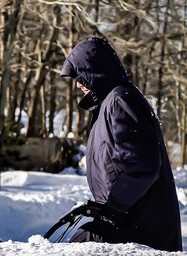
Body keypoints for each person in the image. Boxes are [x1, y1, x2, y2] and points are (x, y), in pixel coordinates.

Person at [60, 37, 182, 251]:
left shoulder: (120, 100)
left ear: (94, 70)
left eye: (80, 75)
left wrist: (113, 210)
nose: (78, 84)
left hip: (137, 225)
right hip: (124, 218)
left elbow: (142, 165)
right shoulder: (109, 103)